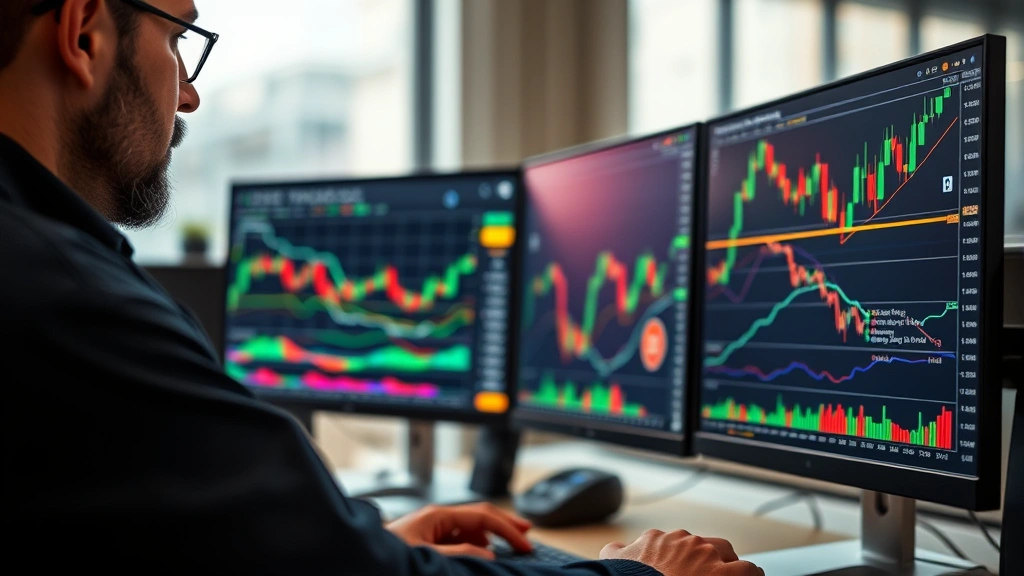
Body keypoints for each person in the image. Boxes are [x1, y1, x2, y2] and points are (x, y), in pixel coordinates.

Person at [0, 1, 763, 574]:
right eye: (177, 37)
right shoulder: (67, 298)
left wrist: (357, 547)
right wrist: (639, 574)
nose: (190, 95)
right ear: (85, 33)